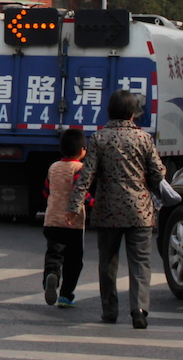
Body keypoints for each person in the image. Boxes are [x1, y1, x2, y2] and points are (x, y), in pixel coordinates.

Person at [68, 87, 165, 329]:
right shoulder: (144, 138)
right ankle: (139, 310)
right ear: (133, 113)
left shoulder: (99, 138)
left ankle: (109, 310)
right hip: (140, 211)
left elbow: (87, 175)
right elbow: (157, 174)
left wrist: (74, 205)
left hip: (108, 211)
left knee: (108, 262)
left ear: (109, 111)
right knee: (140, 262)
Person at [42, 126, 88, 308]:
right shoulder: (80, 169)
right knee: (74, 261)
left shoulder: (53, 167)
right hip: (73, 223)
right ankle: (66, 295)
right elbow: (80, 192)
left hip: (52, 220)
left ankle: (51, 275)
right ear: (82, 150)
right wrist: (94, 203)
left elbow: (46, 191)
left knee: (54, 254)